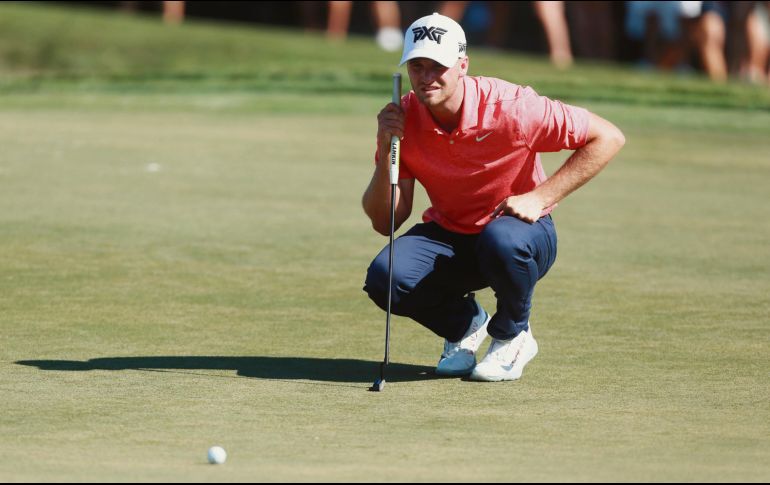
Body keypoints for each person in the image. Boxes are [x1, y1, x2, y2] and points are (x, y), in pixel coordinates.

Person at [362, 13, 625, 382]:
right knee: (384, 277)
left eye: (438, 66)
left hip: (518, 233)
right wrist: (386, 145)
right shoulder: (403, 119)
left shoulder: (512, 107)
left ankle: (512, 335)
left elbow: (608, 137)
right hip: (452, 236)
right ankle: (465, 326)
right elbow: (384, 220)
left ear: (462, 65)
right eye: (417, 66)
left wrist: (539, 196)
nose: (426, 77)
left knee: (501, 240)